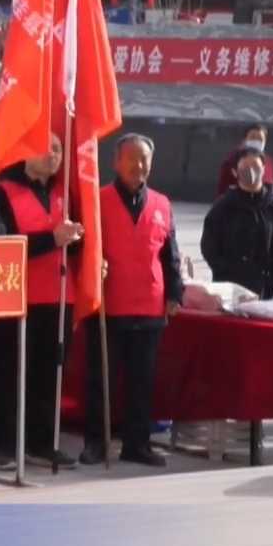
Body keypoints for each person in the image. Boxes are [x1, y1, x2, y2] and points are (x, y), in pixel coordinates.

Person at [86, 134, 185, 467]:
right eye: (132, 158)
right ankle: (96, 442)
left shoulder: (162, 203)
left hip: (149, 304)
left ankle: (137, 444)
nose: (138, 165)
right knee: (102, 379)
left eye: (144, 160)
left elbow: (170, 253)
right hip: (108, 303)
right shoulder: (98, 200)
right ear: (117, 162)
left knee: (142, 380)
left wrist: (174, 293)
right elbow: (84, 247)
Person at [0, 135, 83, 470]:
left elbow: (73, 242)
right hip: (16, 297)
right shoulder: (3, 191)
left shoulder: (64, 192)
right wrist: (52, 239)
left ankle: (42, 444)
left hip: (58, 295)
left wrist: (80, 242)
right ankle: (6, 447)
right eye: (47, 148)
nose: (53, 155)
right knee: (10, 373)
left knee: (49, 373)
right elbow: (2, 240)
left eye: (58, 150)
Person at [202, 147, 273, 300]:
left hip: (264, 287)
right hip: (229, 286)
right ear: (235, 172)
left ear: (264, 169)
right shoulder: (223, 206)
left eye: (256, 167)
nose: (251, 172)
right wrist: (225, 270)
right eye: (245, 168)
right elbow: (209, 245)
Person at [216, 123, 273, 195]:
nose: (257, 141)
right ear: (244, 140)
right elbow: (223, 190)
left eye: (260, 139)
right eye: (253, 137)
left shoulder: (269, 162)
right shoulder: (231, 160)